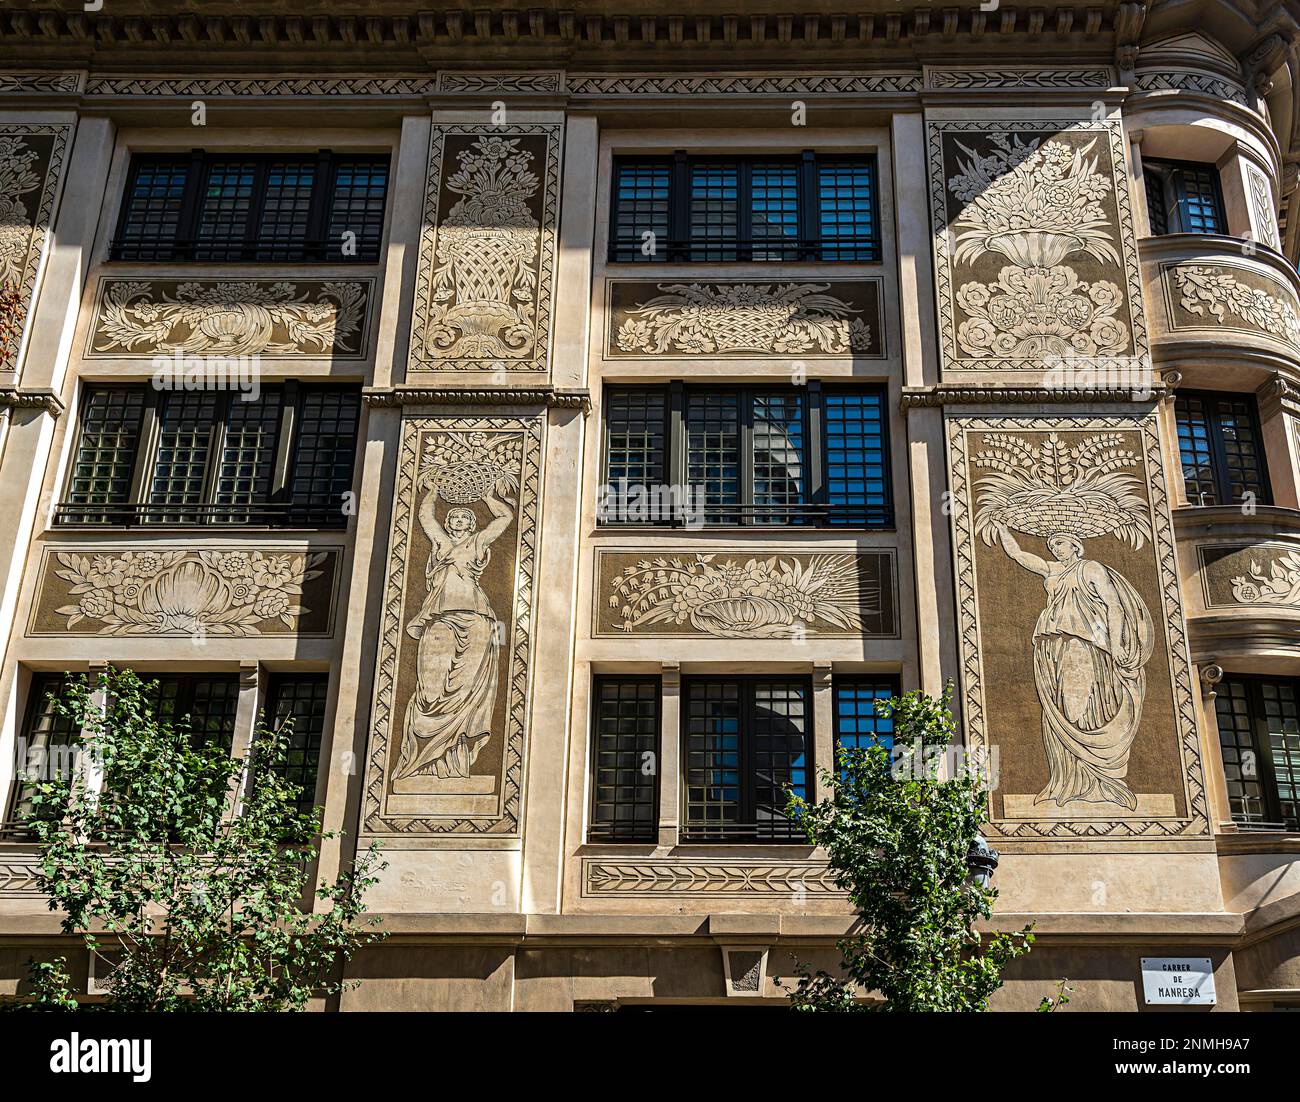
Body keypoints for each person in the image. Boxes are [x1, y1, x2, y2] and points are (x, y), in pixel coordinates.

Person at [993, 521, 1154, 809]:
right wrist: (1002, 529)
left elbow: (1113, 606)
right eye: (1052, 545)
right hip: (1054, 642)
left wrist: (1116, 644)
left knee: (1080, 702)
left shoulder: (1090, 568)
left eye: (1059, 543)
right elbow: (1018, 555)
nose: (1054, 548)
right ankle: (1070, 779)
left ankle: (1099, 781)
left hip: (1085, 639)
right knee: (1061, 706)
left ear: (1075, 545)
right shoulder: (1054, 570)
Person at [395, 485, 514, 780]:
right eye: (455, 517)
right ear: (448, 524)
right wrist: (433, 490)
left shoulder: (476, 544)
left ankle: (456, 763)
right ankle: (423, 762)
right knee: (431, 685)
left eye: (464, 517)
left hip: (475, 617)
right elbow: (425, 518)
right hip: (440, 616)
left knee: (467, 688)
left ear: (472, 524)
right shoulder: (441, 545)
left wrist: (487, 496)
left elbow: (505, 518)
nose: (459, 520)